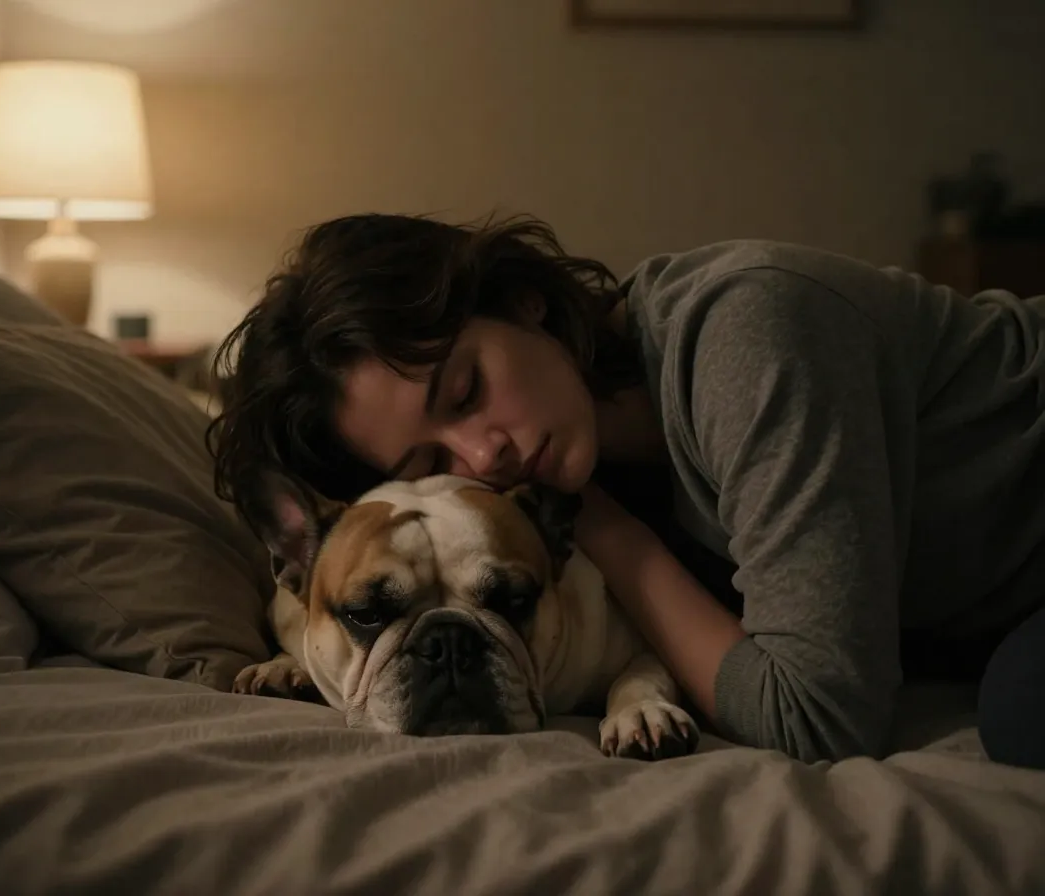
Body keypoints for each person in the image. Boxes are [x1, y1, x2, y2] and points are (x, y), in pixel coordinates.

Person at [206, 212, 1045, 768]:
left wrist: (607, 529)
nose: (482, 454)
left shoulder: (750, 338)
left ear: (525, 303)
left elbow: (818, 719)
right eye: (432, 463)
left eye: (465, 392)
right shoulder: (560, 473)